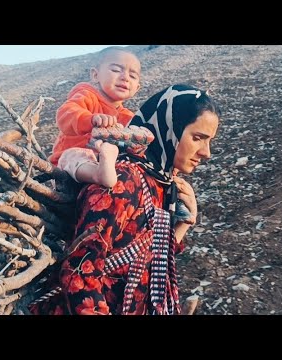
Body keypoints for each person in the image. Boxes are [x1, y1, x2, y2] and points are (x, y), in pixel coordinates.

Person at [29, 84, 221, 315]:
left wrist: (184, 223)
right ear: (171, 128)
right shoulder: (124, 180)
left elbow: (150, 260)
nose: (206, 152)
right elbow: (79, 272)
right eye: (198, 137)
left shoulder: (161, 184)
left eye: (209, 141)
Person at [49, 46, 141, 188]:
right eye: (116, 70)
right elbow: (65, 114)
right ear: (95, 75)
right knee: (73, 156)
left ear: (137, 88)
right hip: (69, 169)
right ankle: (98, 173)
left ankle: (105, 169)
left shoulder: (129, 117)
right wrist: (90, 119)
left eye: (133, 76)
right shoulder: (86, 95)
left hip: (107, 164)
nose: (125, 77)